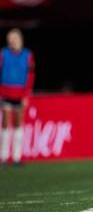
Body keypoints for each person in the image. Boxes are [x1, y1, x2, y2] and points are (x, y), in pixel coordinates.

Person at [0, 28, 35, 166]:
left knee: (18, 125)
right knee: (5, 124)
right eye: (10, 38)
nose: (12, 41)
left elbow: (31, 75)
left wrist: (26, 94)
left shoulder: (27, 55)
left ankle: (16, 157)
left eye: (14, 38)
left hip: (20, 94)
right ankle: (3, 157)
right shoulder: (3, 53)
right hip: (5, 93)